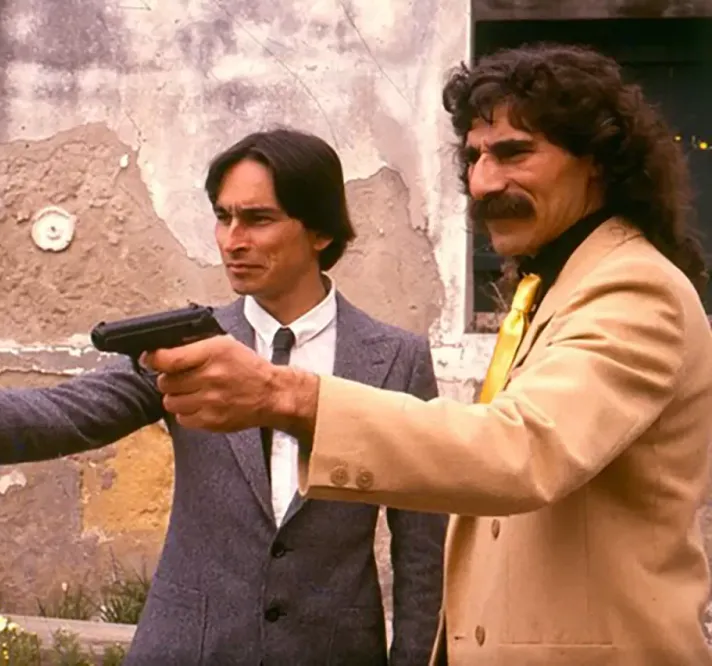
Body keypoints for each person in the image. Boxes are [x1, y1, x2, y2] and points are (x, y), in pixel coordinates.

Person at [143, 44, 712, 666]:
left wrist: (287, 395)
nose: (483, 183)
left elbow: (520, 448)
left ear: (597, 161)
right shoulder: (556, 285)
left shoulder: (632, 288)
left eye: (514, 153)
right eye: (473, 157)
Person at [0, 128, 448, 665]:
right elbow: (74, 411)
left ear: (320, 230)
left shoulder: (395, 360)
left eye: (258, 219)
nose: (232, 240)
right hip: (187, 648)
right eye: (223, 217)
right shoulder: (188, 342)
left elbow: (422, 551)